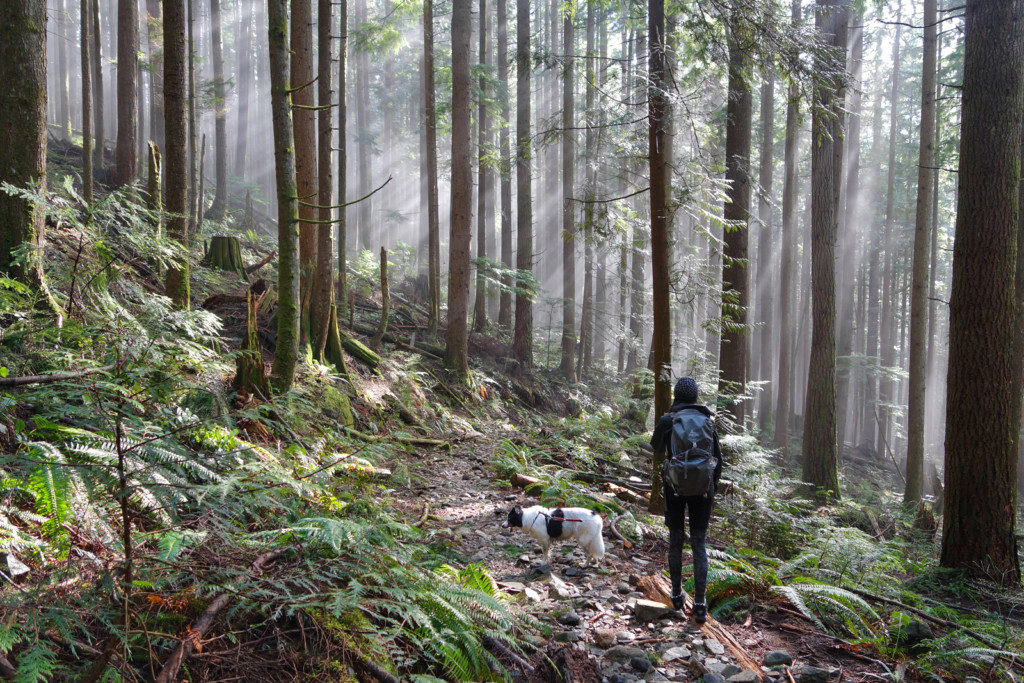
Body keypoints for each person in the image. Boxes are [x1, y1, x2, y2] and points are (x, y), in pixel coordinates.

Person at [650, 376, 722, 624]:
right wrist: (710, 487)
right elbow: (718, 461)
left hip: (674, 487)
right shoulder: (708, 421)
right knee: (699, 544)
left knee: (675, 541)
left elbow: (656, 448)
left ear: (676, 396)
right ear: (695, 396)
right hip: (703, 489)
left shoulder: (668, 420)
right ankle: (700, 605)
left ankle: (676, 597)